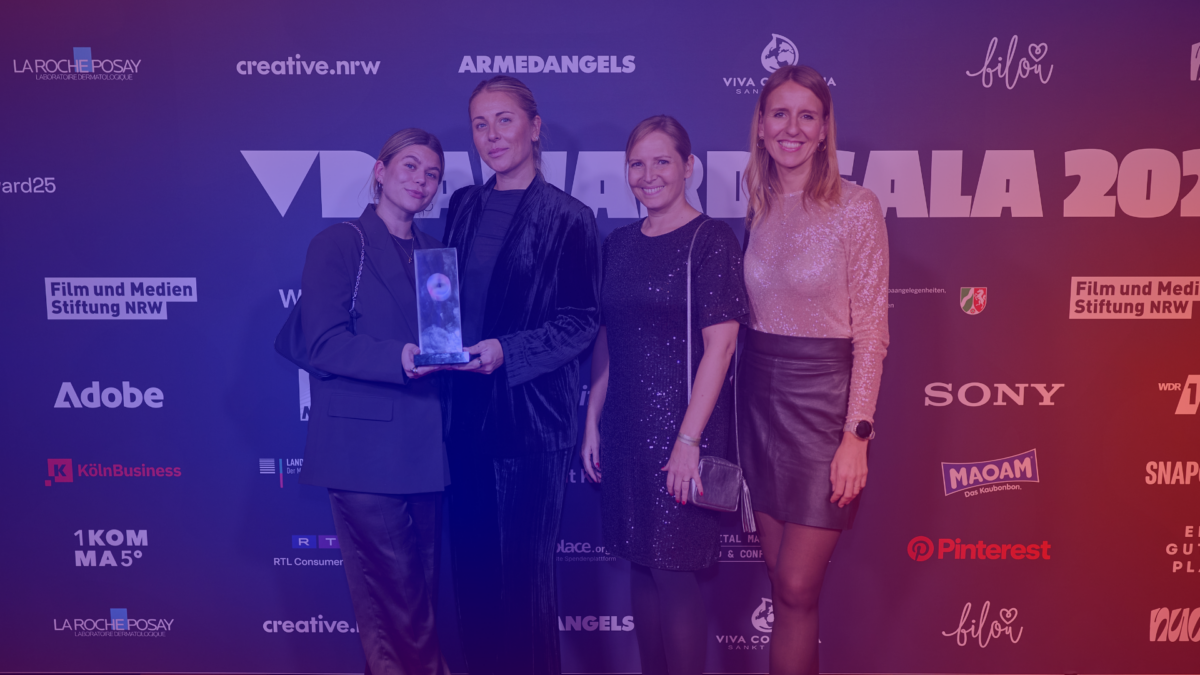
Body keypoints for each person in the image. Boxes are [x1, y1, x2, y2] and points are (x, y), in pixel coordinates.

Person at [404, 75, 600, 675]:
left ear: (534, 128)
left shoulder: (571, 217)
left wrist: (505, 350)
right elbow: (443, 298)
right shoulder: (464, 204)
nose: (492, 135)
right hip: (462, 419)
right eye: (481, 125)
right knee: (472, 581)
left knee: (524, 587)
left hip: (530, 425)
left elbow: (581, 321)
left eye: (505, 120)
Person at [581, 115, 746, 675]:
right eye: (637, 163)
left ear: (688, 167)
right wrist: (593, 419)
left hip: (683, 431)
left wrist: (689, 441)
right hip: (626, 428)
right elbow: (608, 336)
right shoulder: (619, 244)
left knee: (674, 572)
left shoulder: (712, 239)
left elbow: (720, 349)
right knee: (642, 568)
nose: (648, 175)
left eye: (661, 162)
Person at [738, 65, 889, 675]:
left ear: (825, 130)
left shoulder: (856, 207)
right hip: (758, 402)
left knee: (799, 586)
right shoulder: (758, 204)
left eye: (807, 116)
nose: (792, 128)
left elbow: (873, 331)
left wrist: (857, 434)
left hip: (825, 407)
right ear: (761, 126)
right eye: (780, 114)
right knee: (782, 586)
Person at [297, 128, 451, 675]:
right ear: (381, 172)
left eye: (432, 174)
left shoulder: (436, 255)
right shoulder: (338, 244)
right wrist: (399, 358)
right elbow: (322, 342)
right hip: (363, 453)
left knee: (410, 606)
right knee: (402, 609)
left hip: (424, 450)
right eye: (410, 167)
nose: (421, 180)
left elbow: (441, 343)